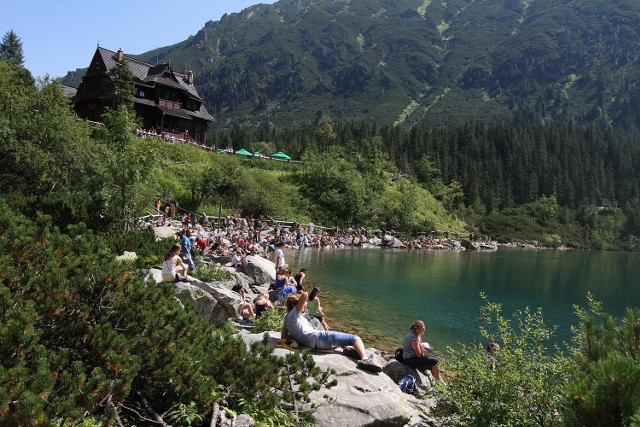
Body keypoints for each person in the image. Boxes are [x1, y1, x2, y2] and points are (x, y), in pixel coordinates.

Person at [281, 291, 381, 372]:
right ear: (296, 306)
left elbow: (283, 337)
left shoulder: (287, 318)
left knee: (343, 340)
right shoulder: (293, 315)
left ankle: (350, 350)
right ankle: (365, 360)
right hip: (321, 338)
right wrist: (300, 294)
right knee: (355, 338)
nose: (304, 307)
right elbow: (305, 295)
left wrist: (296, 336)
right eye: (302, 305)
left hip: (314, 343)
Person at [401, 320, 445, 386]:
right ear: (417, 329)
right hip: (409, 359)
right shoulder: (413, 338)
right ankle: (439, 382)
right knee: (435, 361)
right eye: (423, 328)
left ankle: (439, 381)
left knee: (433, 363)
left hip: (413, 357)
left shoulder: (417, 335)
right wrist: (428, 351)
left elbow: (418, 349)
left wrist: (424, 350)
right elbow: (419, 355)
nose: (424, 330)